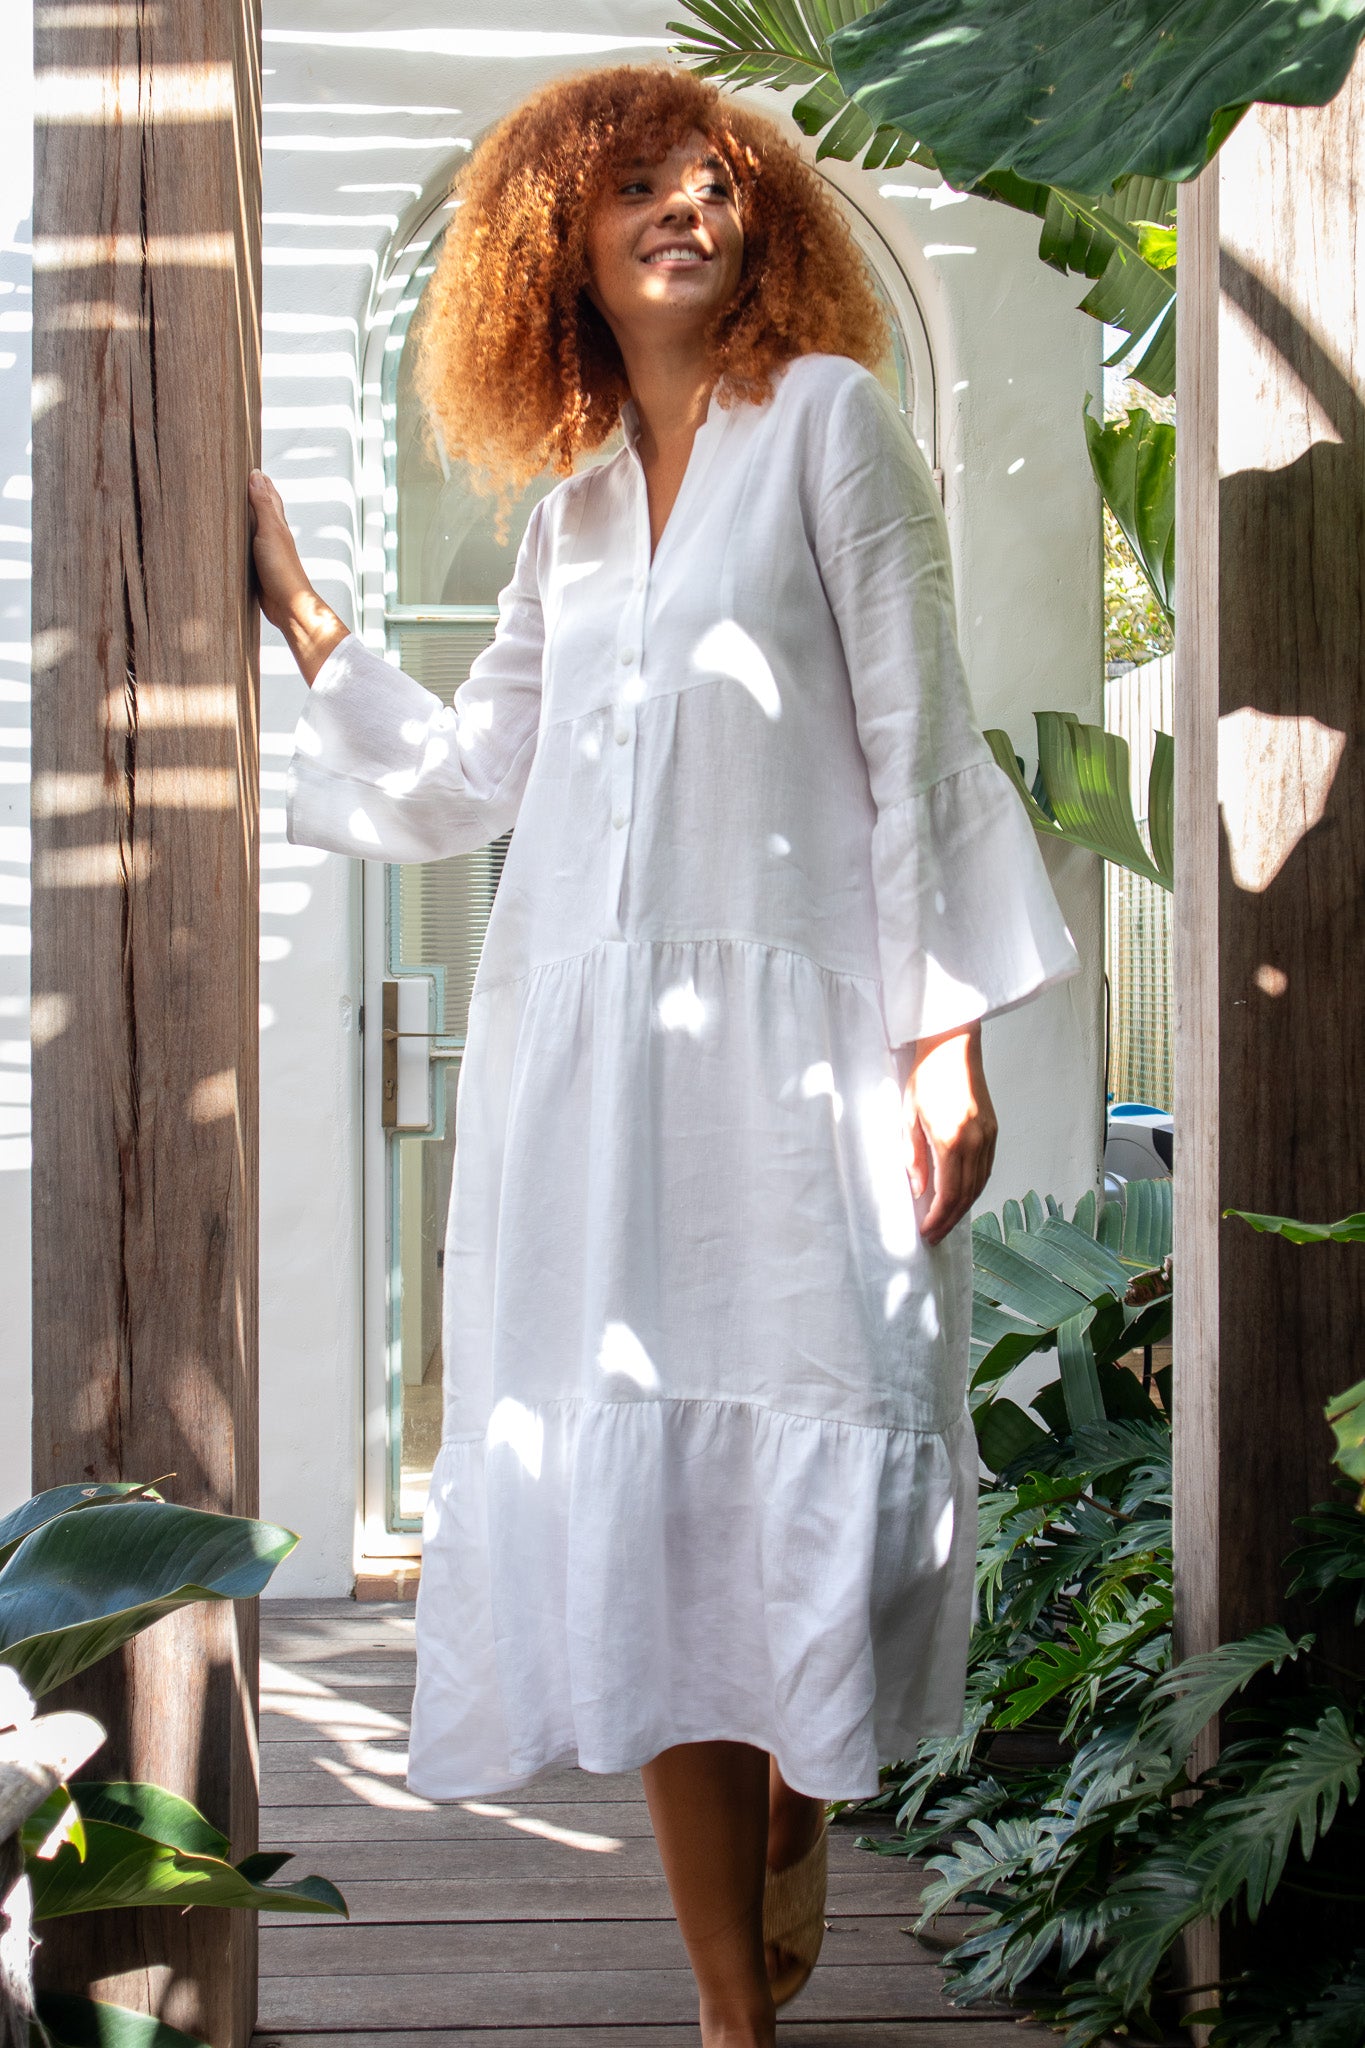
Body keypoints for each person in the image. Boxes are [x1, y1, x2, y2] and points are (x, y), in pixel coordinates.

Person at [249, 63, 1079, 2048]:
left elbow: (917, 739)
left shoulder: (829, 425)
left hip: (800, 1055)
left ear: (754, 208)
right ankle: (731, 2020)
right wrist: (292, 603)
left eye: (702, 179)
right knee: (651, 1524)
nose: (679, 209)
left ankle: (799, 1797)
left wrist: (938, 1041)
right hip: (596, 1077)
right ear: (559, 238)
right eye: (629, 190)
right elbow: (468, 780)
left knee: (836, 1491)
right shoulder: (570, 514)